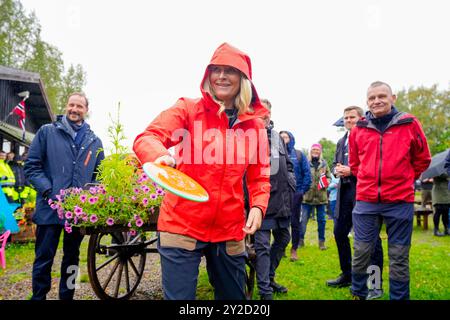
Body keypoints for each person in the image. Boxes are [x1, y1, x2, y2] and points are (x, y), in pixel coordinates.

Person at [133, 43, 271, 300]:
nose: (221, 76)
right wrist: (159, 156)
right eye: (215, 70)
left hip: (229, 228)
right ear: (207, 76)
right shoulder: (187, 109)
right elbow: (148, 137)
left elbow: (259, 174)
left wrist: (258, 206)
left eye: (229, 70)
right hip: (182, 223)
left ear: (243, 79)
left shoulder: (255, 128)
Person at [349, 81, 431, 300]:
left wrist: (404, 179)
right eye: (372, 98)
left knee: (398, 256)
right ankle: (360, 291)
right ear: (367, 101)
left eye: (382, 96)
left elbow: (423, 159)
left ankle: (399, 297)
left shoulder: (409, 123)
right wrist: (368, 180)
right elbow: (355, 164)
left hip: (399, 201)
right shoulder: (359, 129)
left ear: (392, 98)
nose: (377, 101)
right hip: (366, 200)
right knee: (362, 252)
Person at [24, 92, 104, 300]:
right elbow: (32, 167)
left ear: (86, 110)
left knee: (72, 258)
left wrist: (89, 197)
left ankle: (67, 297)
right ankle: (38, 296)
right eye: (71, 105)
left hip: (77, 211)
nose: (74, 109)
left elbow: (100, 176)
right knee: (43, 258)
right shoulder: (47, 132)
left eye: (79, 106)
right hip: (49, 207)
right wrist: (49, 191)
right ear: (66, 106)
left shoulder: (94, 141)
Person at [326, 106, 384, 300]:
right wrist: (338, 170)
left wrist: (352, 170)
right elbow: (335, 164)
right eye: (345, 118)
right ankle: (348, 274)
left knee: (371, 241)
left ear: (361, 119)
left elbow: (374, 167)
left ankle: (374, 284)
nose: (348, 121)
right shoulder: (342, 141)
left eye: (352, 117)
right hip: (344, 194)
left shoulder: (369, 138)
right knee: (339, 233)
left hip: (365, 193)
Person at [253, 99, 294, 300]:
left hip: (282, 201)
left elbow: (287, 164)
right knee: (262, 246)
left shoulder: (277, 136)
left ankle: (268, 277)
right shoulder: (247, 136)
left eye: (266, 112)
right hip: (260, 201)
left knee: (284, 239)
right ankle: (265, 292)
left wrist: (291, 181)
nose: (264, 115)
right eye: (259, 112)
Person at [279, 131, 312, 261]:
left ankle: (294, 249)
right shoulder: (275, 154)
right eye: (281, 137)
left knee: (294, 222)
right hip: (279, 195)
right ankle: (280, 248)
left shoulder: (298, 155)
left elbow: (307, 174)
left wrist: (301, 191)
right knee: (280, 222)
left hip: (295, 194)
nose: (283, 139)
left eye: (286, 136)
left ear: (291, 139)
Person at [299, 143, 331, 250]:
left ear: (320, 152)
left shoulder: (324, 164)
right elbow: (301, 176)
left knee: (322, 221)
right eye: (313, 150)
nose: (315, 152)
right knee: (303, 220)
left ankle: (321, 243)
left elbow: (329, 177)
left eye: (317, 150)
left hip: (321, 198)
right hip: (307, 197)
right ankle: (300, 240)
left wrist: (326, 183)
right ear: (310, 151)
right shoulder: (306, 163)